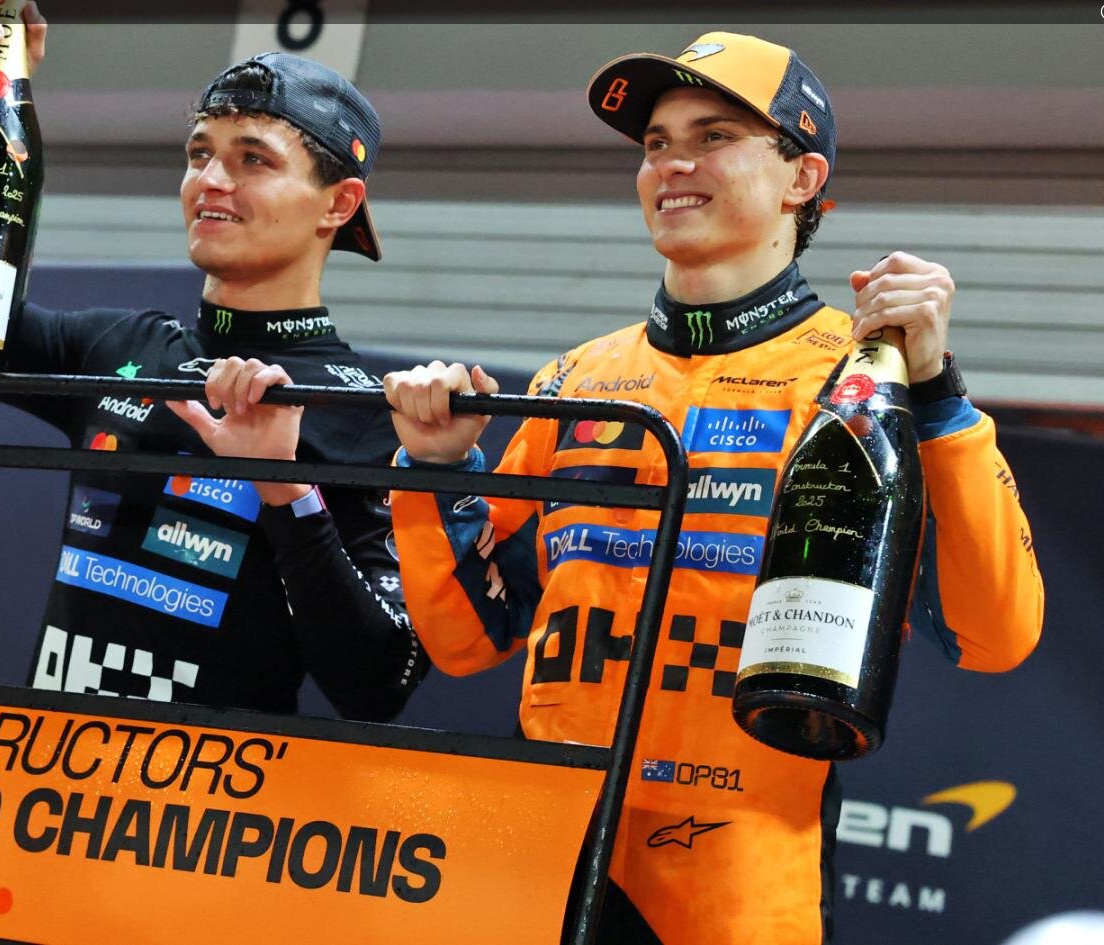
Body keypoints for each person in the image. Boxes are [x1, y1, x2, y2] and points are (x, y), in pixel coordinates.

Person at [382, 33, 1044, 944]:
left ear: (802, 177)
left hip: (739, 869)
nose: (672, 163)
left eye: (714, 136)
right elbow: (466, 641)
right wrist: (433, 469)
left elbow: (994, 633)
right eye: (656, 142)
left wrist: (937, 396)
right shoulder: (575, 379)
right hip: (546, 843)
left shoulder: (862, 382)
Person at [0, 2, 422, 719]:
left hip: (217, 789)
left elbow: (377, 685)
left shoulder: (363, 409)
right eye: (199, 154)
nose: (209, 179)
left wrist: (288, 492)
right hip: (46, 774)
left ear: (339, 204)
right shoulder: (117, 348)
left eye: (253, 158)